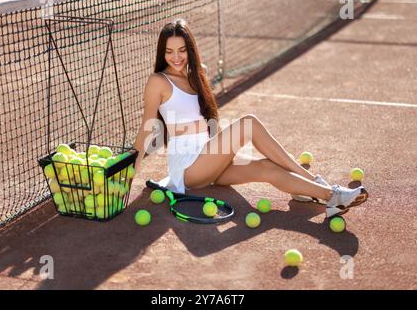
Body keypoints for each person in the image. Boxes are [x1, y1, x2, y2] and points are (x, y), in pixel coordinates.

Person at [133, 18, 368, 218]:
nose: (176, 57)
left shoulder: (196, 75)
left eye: (182, 50)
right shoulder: (158, 81)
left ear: (190, 50)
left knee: (267, 168)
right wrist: (129, 172)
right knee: (248, 123)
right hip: (188, 166)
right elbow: (147, 127)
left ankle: (321, 196)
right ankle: (323, 187)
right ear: (162, 52)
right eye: (170, 51)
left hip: (208, 157)